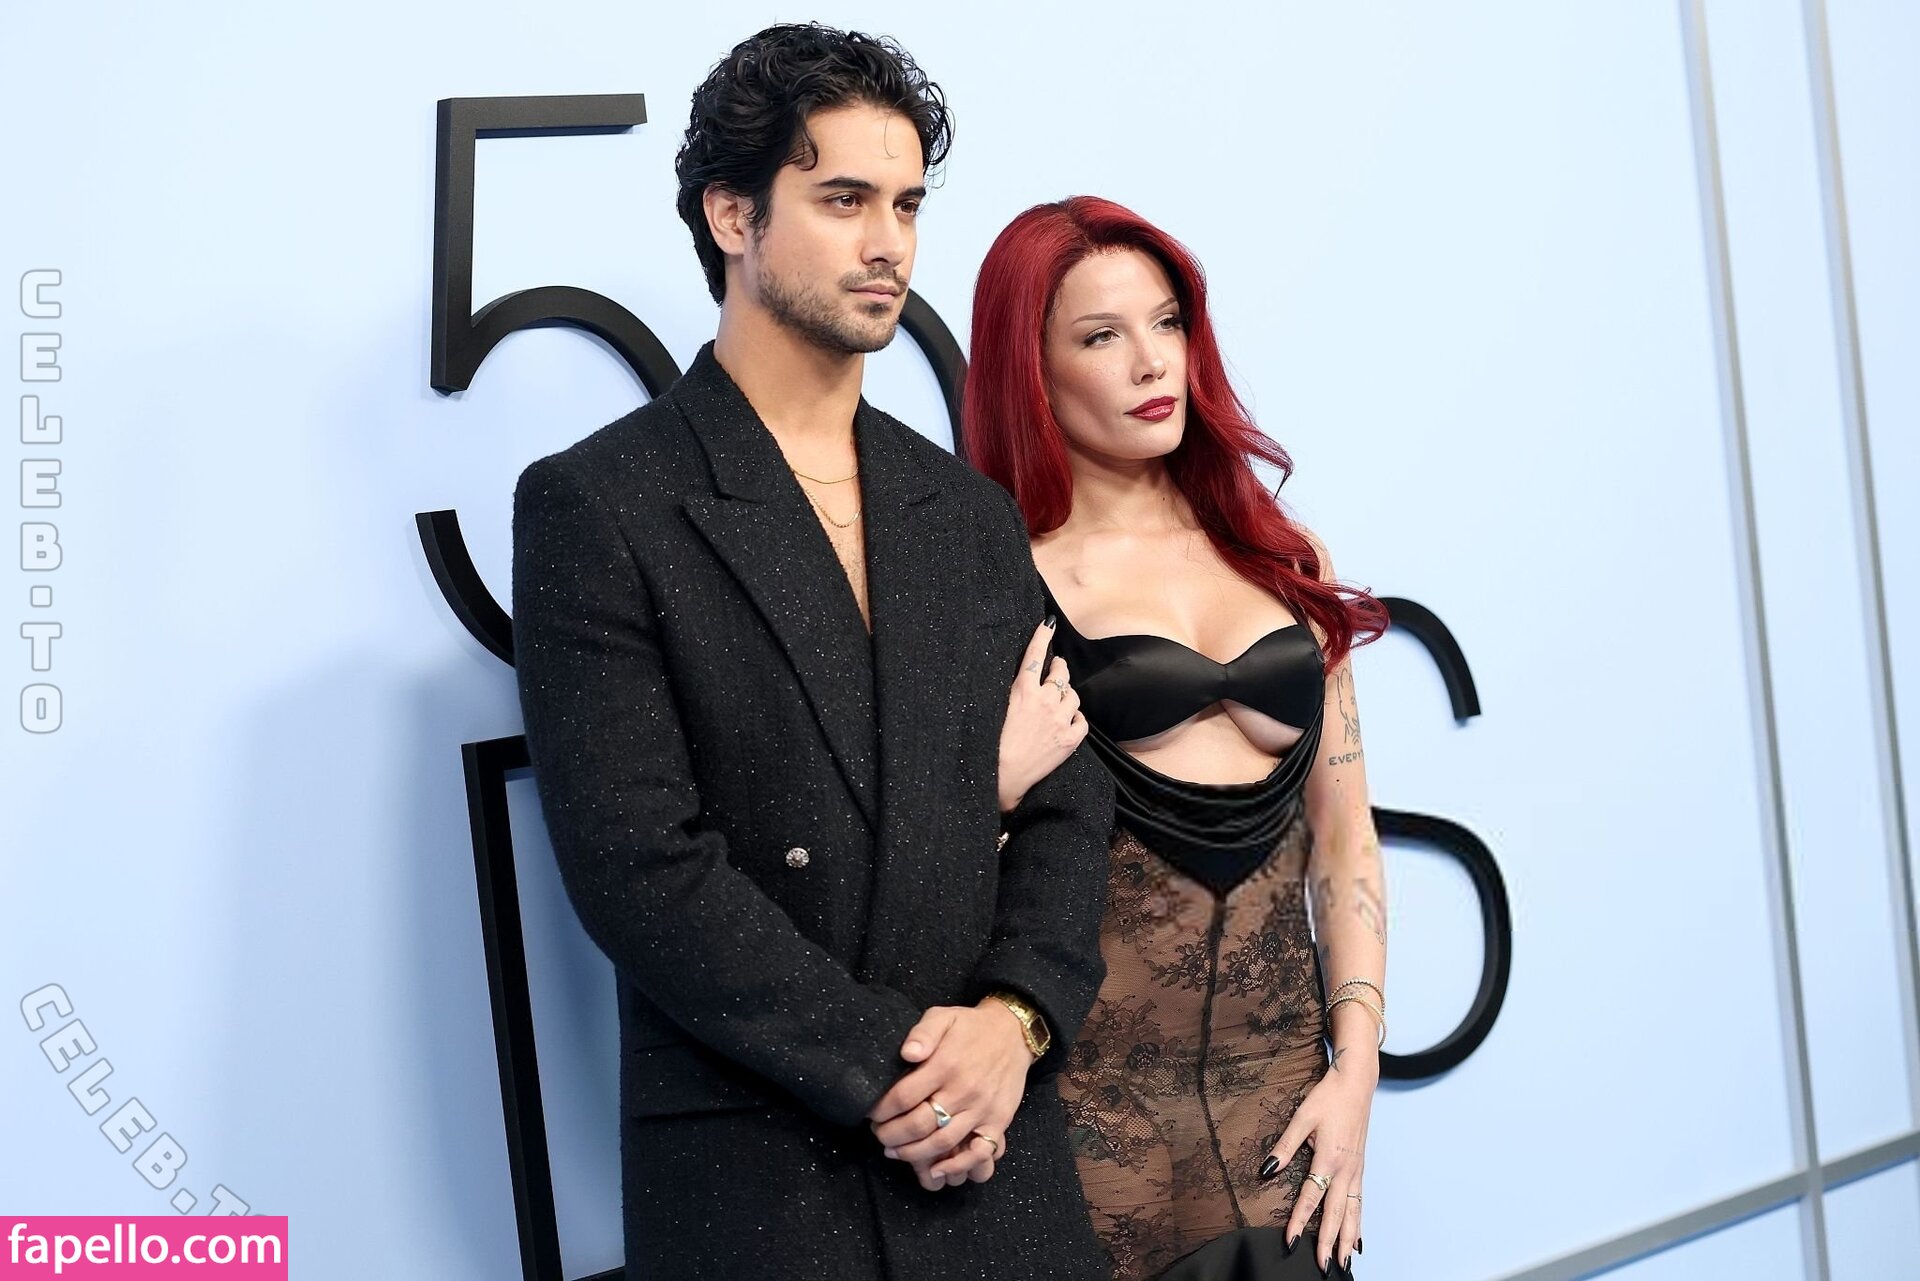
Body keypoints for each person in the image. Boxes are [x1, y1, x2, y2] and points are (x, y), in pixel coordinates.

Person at [510, 27, 1113, 1280]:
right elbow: (639, 867)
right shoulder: (602, 503)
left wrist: (1013, 1022)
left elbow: (1069, 804)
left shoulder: (966, 512)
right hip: (767, 1166)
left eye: (907, 205)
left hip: (996, 1154)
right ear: (733, 214)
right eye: (843, 200)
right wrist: (902, 1071)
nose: (889, 243)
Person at [967, 196, 1392, 1280]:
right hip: (1091, 1123)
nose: (1152, 362)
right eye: (1101, 336)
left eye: (1167, 324)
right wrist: (995, 790)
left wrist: (1356, 1070)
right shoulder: (994, 588)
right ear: (1031, 369)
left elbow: (1346, 839)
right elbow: (940, 877)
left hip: (1286, 1110)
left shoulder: (1282, 554)